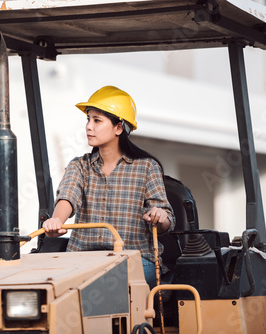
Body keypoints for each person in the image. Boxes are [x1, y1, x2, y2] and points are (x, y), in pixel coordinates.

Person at [42, 85, 175, 288]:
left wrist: (160, 216)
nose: (89, 126)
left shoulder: (147, 167)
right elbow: (68, 196)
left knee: (99, 284)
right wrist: (56, 221)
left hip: (133, 260)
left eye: (97, 120)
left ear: (119, 128)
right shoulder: (79, 165)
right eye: (88, 119)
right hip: (83, 261)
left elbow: (166, 220)